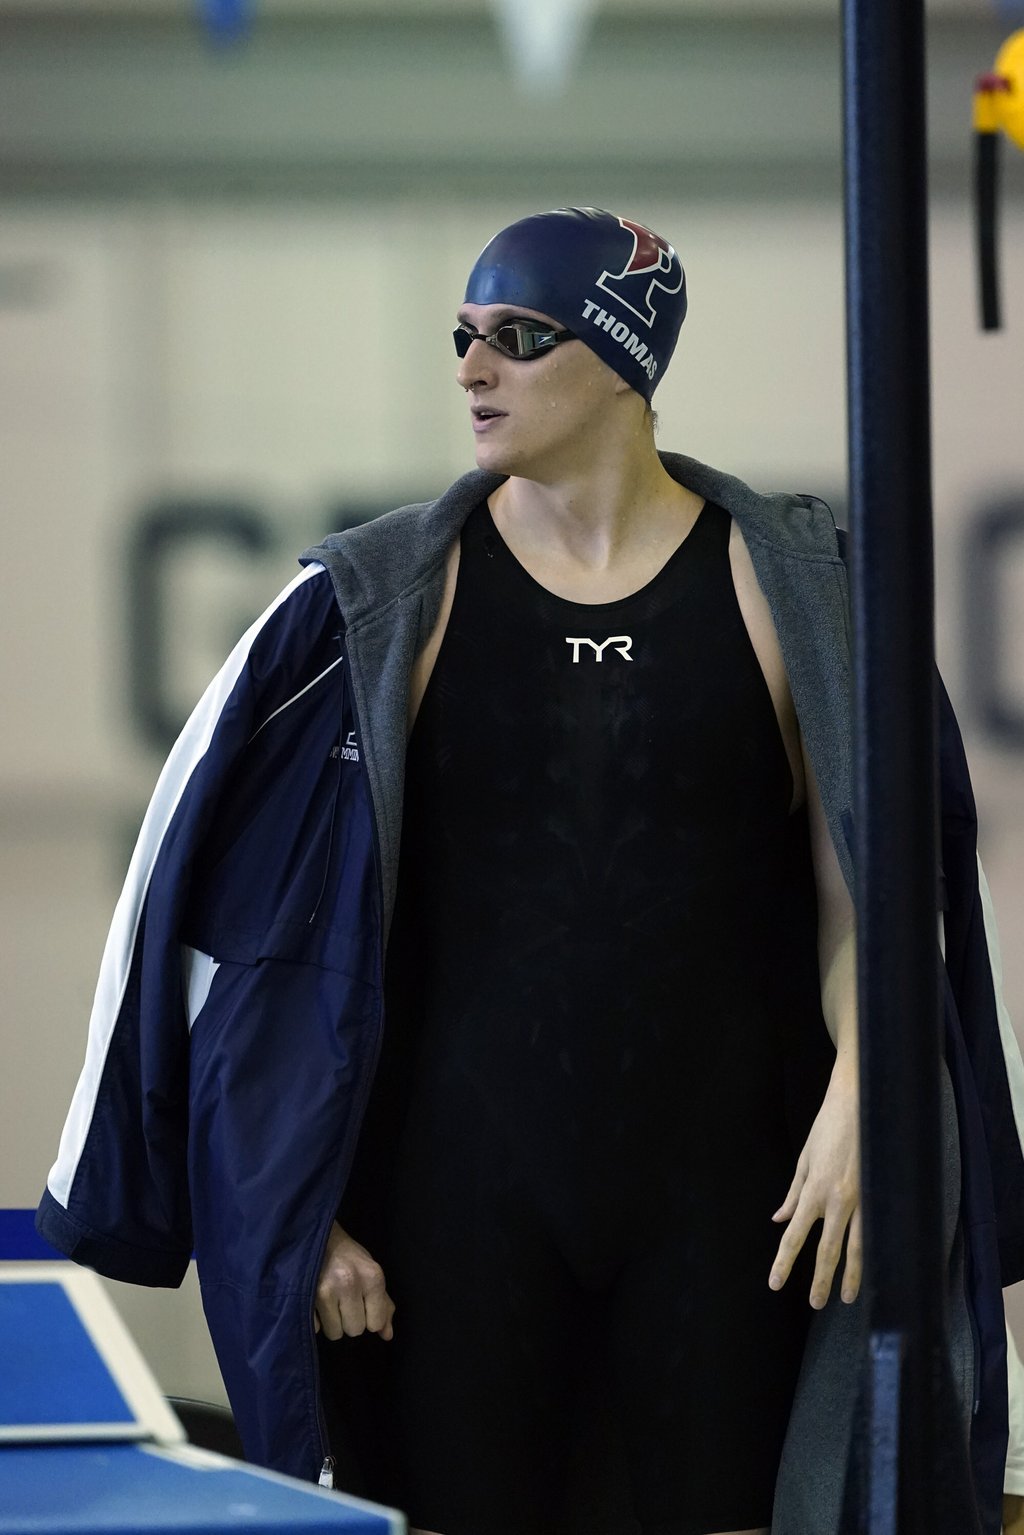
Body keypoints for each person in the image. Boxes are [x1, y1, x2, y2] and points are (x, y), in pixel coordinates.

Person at [36, 208, 1024, 1535]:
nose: (472, 369)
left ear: (622, 357)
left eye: (517, 336)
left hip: (739, 1199)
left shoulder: (791, 594)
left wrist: (868, 1092)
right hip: (455, 1207)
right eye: (463, 337)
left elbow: (876, 901)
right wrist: (293, 1200)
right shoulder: (384, 604)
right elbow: (226, 937)